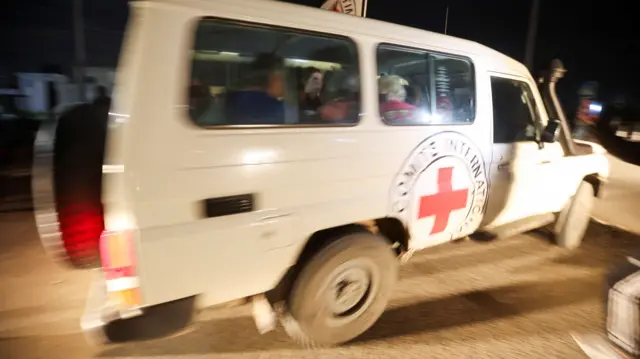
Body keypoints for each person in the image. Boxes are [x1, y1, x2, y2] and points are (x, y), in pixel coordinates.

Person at [224, 54, 289, 125]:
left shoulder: (229, 102)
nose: (285, 85)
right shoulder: (280, 110)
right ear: (275, 79)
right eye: (283, 79)